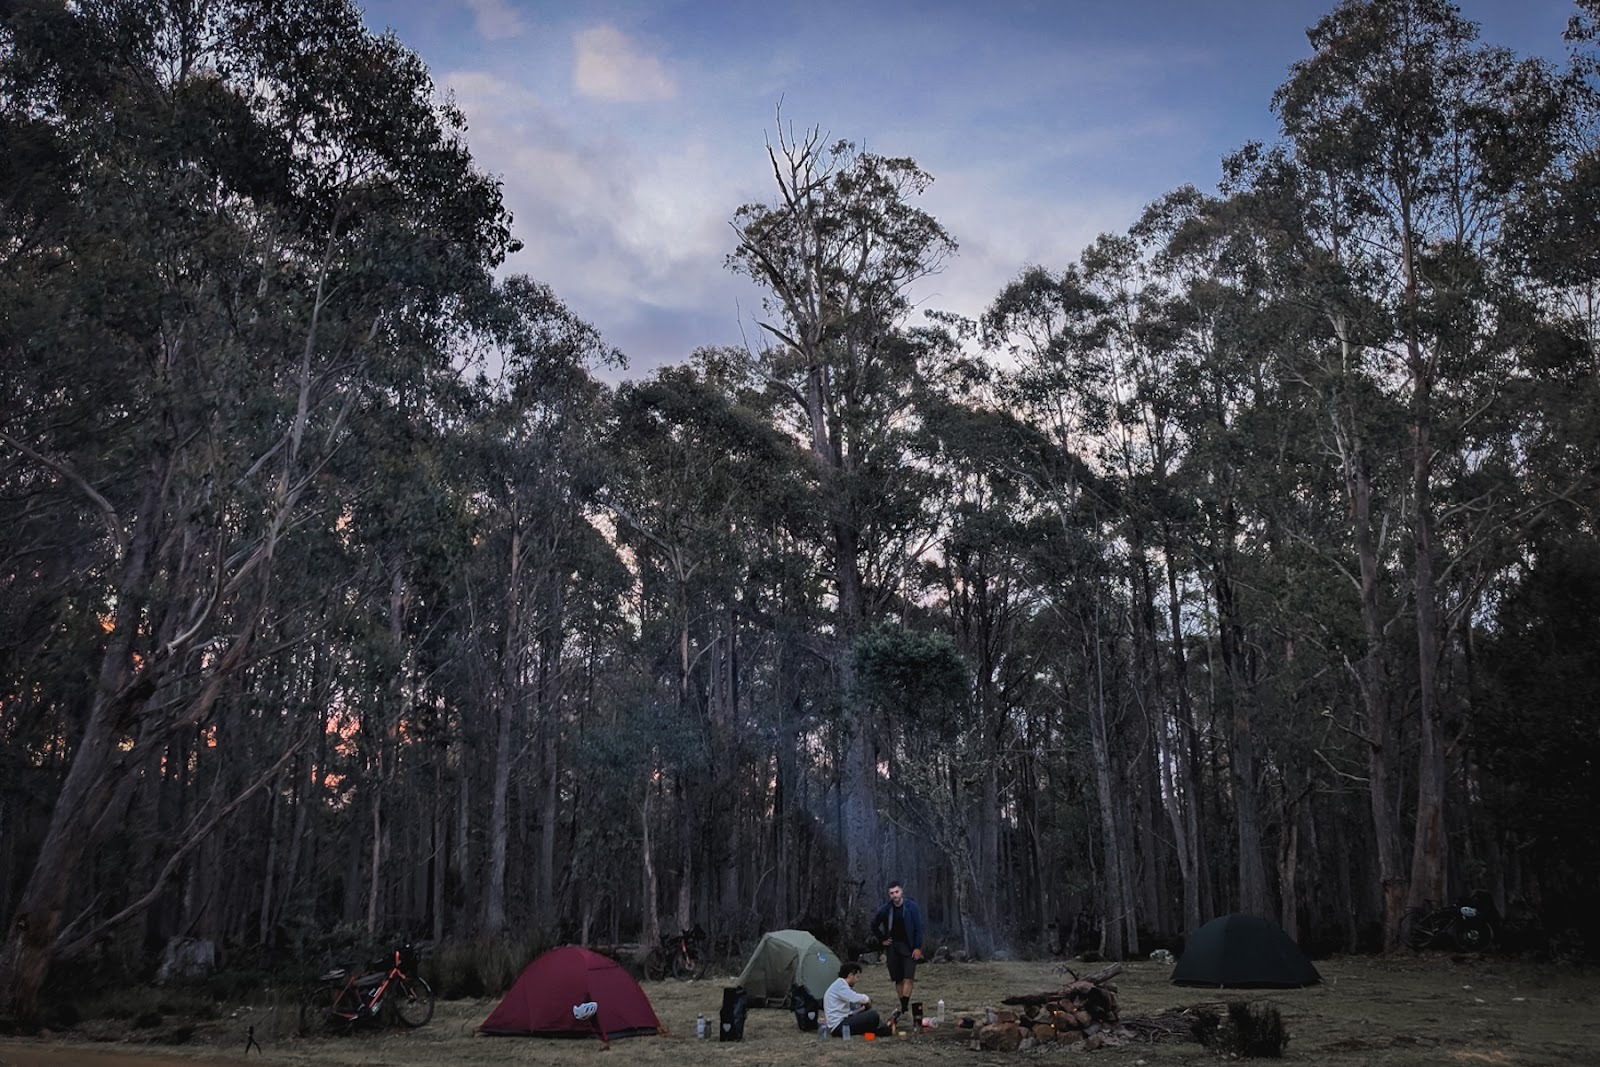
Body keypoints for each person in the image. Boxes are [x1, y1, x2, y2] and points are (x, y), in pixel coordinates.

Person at [870, 879, 923, 1018]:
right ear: (889, 895)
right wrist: (882, 939)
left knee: (909, 977)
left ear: (901, 891)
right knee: (898, 979)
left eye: (897, 892)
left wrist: (917, 947)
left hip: (909, 946)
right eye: (892, 893)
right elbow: (874, 925)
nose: (895, 895)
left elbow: (918, 928)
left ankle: (905, 1004)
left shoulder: (911, 907)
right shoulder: (886, 909)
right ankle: (903, 1006)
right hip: (893, 947)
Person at [822, 962, 880, 1037]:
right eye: (857, 977)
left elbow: (846, 1013)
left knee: (867, 1014)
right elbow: (857, 998)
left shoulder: (838, 985)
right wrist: (867, 999)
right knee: (873, 1015)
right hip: (839, 1027)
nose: (857, 980)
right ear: (850, 975)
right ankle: (883, 1029)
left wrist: (861, 1010)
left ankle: (882, 1029)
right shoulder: (840, 986)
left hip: (841, 1023)